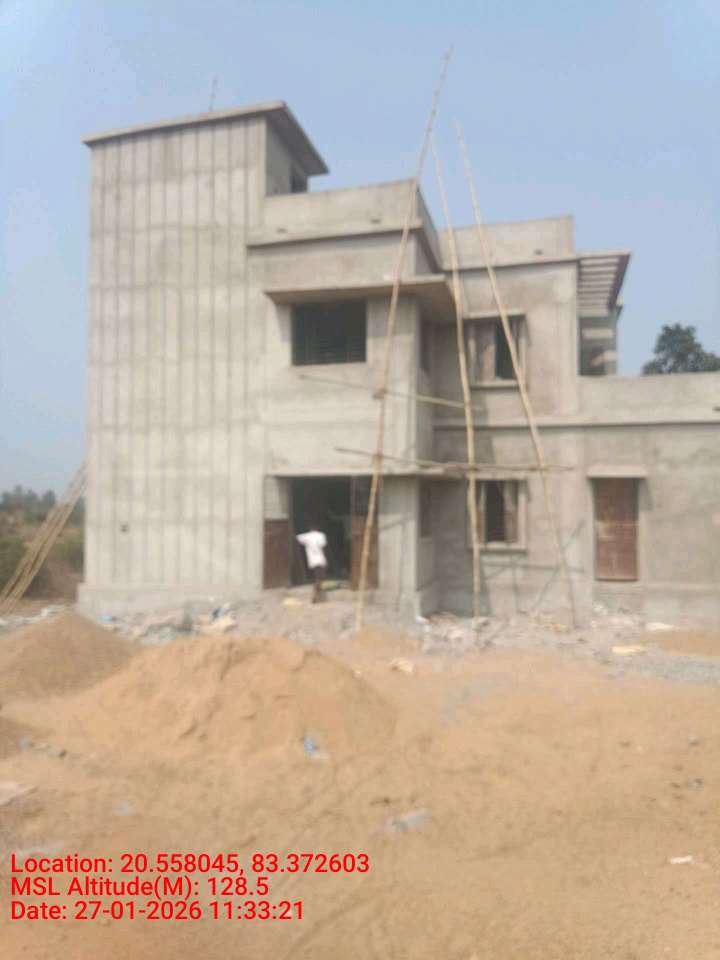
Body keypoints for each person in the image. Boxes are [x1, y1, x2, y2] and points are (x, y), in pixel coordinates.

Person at [296, 526, 328, 603]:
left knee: (317, 577)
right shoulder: (321, 535)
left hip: (312, 560)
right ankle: (315, 595)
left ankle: (319, 595)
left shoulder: (306, 536)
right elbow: (323, 547)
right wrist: (325, 559)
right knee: (320, 577)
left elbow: (296, 538)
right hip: (320, 559)